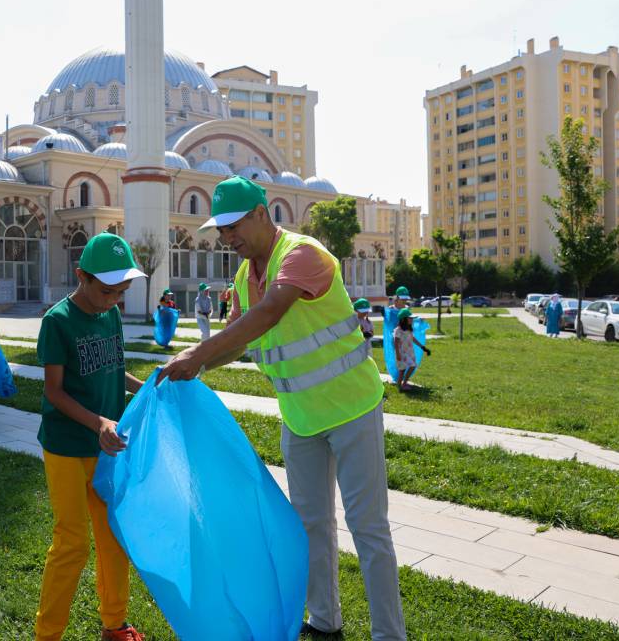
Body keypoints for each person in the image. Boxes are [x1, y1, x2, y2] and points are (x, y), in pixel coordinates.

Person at [158, 176, 406, 641]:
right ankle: (324, 620)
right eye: (221, 230)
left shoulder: (301, 255)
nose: (227, 238)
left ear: (260, 213)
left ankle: (389, 635)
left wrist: (198, 354)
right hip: (301, 418)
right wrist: (197, 363)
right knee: (310, 524)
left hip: (352, 408)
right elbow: (239, 338)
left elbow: (269, 313)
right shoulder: (242, 276)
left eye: (233, 227)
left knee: (368, 528)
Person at [34, 232, 147, 641]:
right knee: (73, 543)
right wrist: (99, 422)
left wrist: (147, 385)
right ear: (82, 276)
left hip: (107, 449)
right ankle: (47, 635)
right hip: (67, 448)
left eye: (123, 291)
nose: (114, 299)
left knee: (114, 538)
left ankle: (114, 624)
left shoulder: (110, 314)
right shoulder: (58, 322)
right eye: (107, 290)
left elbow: (115, 371)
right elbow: (53, 392)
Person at [394, 309, 430, 392]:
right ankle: (401, 386)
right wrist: (398, 354)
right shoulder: (398, 330)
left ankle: (403, 384)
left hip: (409, 352)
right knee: (402, 370)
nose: (412, 320)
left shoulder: (409, 329)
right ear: (403, 319)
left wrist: (422, 347)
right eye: (410, 318)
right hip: (402, 353)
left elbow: (413, 338)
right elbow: (396, 343)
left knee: (410, 367)